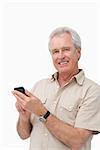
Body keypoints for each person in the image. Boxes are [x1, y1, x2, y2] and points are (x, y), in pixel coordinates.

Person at [12, 26, 100, 150]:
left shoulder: (92, 91)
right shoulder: (39, 85)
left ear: (78, 52)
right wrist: (24, 116)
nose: (60, 56)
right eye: (55, 51)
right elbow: (23, 135)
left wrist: (42, 112)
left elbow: (77, 141)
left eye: (66, 49)